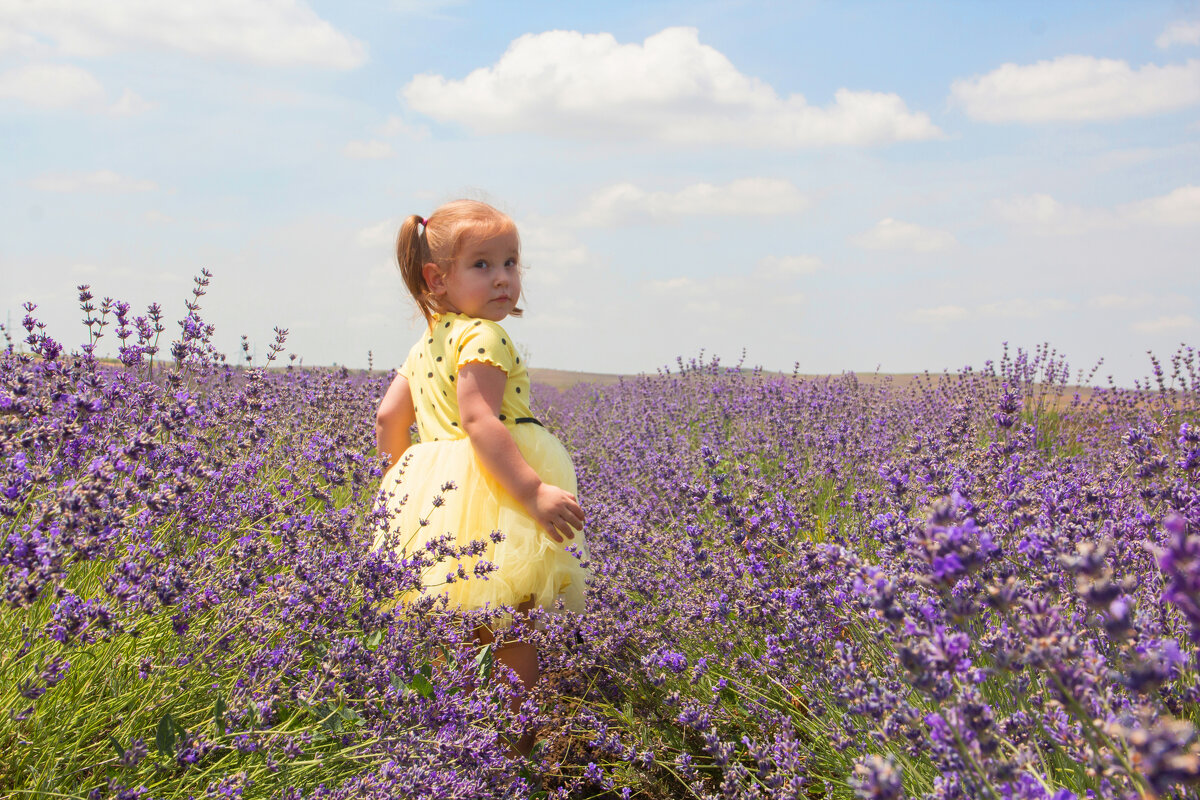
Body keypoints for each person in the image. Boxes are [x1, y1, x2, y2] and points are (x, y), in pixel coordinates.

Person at [372, 198, 589, 755]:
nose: (502, 279)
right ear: (436, 278)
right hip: (494, 491)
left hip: (438, 495)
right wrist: (533, 490)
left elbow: (388, 419)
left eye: (511, 264)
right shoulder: (485, 337)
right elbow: (479, 421)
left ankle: (460, 744)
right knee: (510, 619)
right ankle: (516, 746)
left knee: (458, 622)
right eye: (483, 265)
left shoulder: (426, 343)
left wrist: (405, 481)